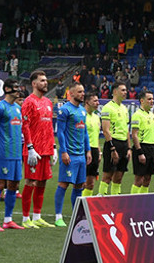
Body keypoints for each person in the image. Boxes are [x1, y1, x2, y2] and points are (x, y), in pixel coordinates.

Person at [20, 71, 57, 228]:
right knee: (31, 182)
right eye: (42, 80)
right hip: (33, 150)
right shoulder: (28, 102)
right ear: (34, 84)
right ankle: (25, 218)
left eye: (46, 80)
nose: (45, 83)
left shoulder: (48, 102)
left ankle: (37, 216)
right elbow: (25, 126)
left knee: (42, 183)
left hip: (46, 150)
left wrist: (53, 147)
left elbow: (49, 127)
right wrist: (30, 148)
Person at [0, 79, 25, 231]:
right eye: (16, 87)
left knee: (14, 185)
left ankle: (8, 219)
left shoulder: (17, 108)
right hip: (4, 152)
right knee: (0, 184)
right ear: (7, 89)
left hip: (17, 153)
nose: (18, 90)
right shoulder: (0, 107)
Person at [53, 82, 91, 227]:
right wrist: (63, 152)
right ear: (72, 93)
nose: (82, 94)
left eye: (83, 91)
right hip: (70, 154)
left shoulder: (82, 110)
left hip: (81, 155)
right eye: (80, 92)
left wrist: (87, 150)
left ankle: (77, 215)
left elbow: (85, 132)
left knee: (79, 186)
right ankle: (58, 216)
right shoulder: (65, 110)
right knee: (64, 184)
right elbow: (60, 132)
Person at [99, 83, 131, 196]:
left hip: (123, 144)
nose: (125, 92)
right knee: (108, 175)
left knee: (119, 177)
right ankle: (101, 201)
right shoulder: (108, 107)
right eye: (122, 90)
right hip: (113, 143)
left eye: (125, 90)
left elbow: (126, 129)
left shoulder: (124, 108)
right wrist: (112, 148)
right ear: (115, 92)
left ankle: (115, 202)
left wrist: (129, 148)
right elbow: (106, 130)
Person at [130, 90, 154, 194]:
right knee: (139, 179)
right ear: (142, 100)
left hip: (151, 148)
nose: (152, 101)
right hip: (142, 147)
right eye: (149, 99)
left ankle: (143, 202)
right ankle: (133, 202)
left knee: (148, 178)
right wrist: (140, 152)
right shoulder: (137, 115)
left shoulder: (152, 115)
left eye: (152, 99)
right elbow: (134, 135)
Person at [81, 93, 101, 197]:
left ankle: (86, 204)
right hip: (83, 150)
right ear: (87, 102)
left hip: (94, 150)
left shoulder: (97, 117)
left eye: (98, 101)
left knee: (91, 183)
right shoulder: (81, 115)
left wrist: (98, 151)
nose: (98, 103)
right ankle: (78, 204)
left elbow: (96, 136)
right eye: (95, 101)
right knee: (82, 182)